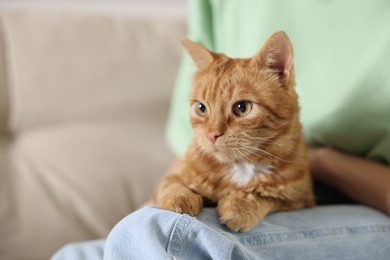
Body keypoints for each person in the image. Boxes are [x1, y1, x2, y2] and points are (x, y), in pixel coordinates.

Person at [53, 1, 390, 259]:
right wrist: (144, 215)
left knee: (165, 236)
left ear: (281, 72)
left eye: (241, 109)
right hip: (226, 180)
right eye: (201, 109)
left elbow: (294, 199)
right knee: (76, 255)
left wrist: (319, 163)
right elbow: (180, 168)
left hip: (368, 204)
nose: (214, 130)